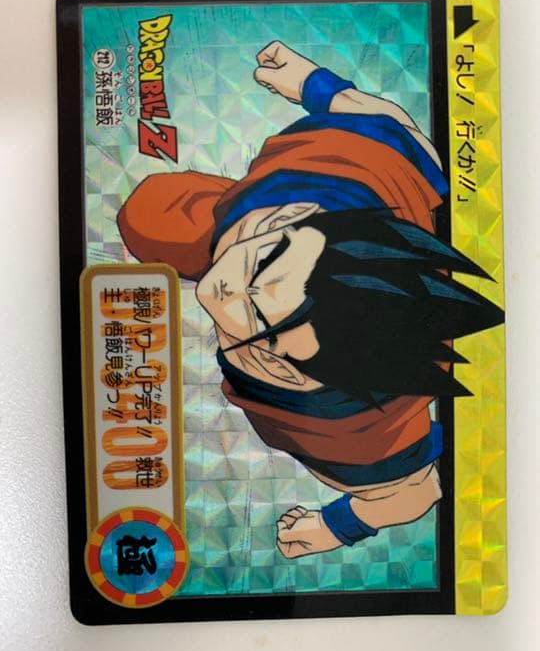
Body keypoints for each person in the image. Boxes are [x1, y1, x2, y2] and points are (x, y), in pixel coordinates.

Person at [118, 41, 504, 559]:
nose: (226, 291)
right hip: (275, 207)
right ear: (294, 219)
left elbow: (413, 494)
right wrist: (317, 86)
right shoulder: (359, 163)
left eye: (263, 322)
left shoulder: (360, 436)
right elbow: (399, 130)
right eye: (265, 263)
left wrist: (338, 525)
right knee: (149, 214)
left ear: (288, 369)